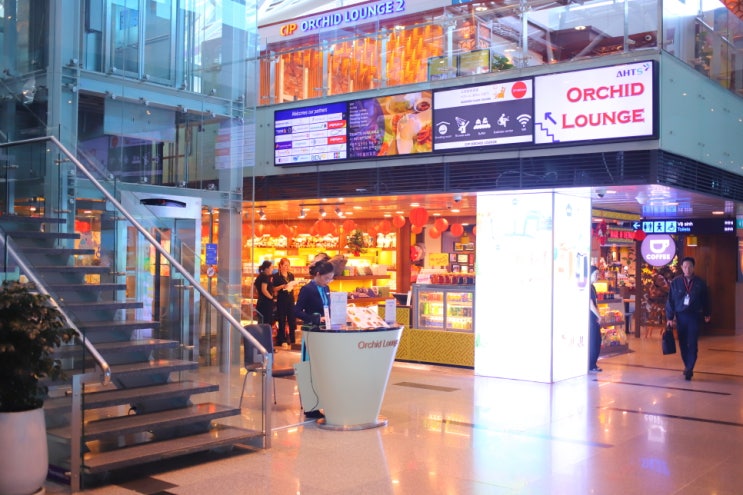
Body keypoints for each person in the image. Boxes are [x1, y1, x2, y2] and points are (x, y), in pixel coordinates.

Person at [293, 259, 334, 419]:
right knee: (309, 368)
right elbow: (297, 311)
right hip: (311, 333)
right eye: (326, 278)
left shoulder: (326, 289)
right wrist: (314, 318)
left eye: (330, 278)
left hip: (324, 333)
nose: (328, 281)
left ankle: (322, 401)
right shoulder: (307, 289)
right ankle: (310, 406)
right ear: (318, 274)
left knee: (321, 368)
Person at [666, 257, 711, 381]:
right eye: (685, 267)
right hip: (680, 316)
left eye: (690, 266)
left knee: (692, 342)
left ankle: (690, 367)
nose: (687, 269)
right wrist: (669, 317)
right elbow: (670, 301)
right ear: (681, 268)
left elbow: (706, 299)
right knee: (682, 342)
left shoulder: (700, 283)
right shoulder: (676, 282)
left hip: (694, 316)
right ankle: (687, 365)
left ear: (693, 267)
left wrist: (707, 313)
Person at [272, 258, 297, 348]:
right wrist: (282, 286)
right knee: (282, 320)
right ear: (281, 266)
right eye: (285, 265)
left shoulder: (291, 275)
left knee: (291, 320)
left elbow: (293, 286)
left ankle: (292, 339)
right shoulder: (276, 276)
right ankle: (282, 339)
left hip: (290, 299)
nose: (287, 267)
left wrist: (293, 285)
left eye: (288, 265)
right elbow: (273, 289)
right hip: (281, 299)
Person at [588, 266, 603, 372]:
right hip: (590, 317)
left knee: (597, 340)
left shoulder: (593, 287)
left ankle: (593, 363)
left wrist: (598, 315)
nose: (597, 276)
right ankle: (591, 365)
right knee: (593, 341)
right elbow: (590, 304)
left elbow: (595, 303)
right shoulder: (587, 288)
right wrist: (599, 316)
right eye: (595, 274)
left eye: (598, 274)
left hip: (595, 317)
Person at [254, 260, 275, 328]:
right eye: (271, 267)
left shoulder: (260, 276)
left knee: (261, 322)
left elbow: (255, 289)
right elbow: (264, 290)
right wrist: (271, 298)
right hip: (266, 303)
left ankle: (260, 334)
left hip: (261, 302)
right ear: (266, 268)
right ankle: (265, 334)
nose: (272, 269)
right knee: (266, 323)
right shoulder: (265, 277)